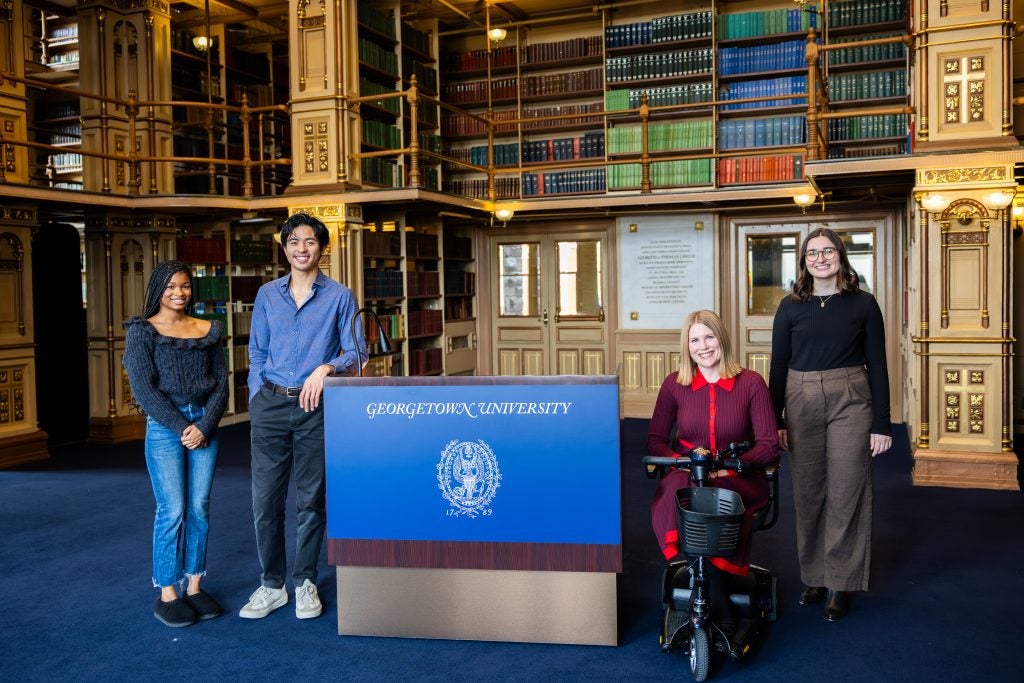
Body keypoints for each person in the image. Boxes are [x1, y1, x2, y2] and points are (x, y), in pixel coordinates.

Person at [240, 212, 366, 621]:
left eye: (309, 241)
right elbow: (256, 351)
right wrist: (257, 394)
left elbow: (357, 352)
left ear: (321, 248)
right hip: (271, 404)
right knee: (265, 501)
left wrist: (327, 368)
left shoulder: (340, 296)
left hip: (316, 408)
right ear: (284, 247)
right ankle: (271, 585)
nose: (301, 249)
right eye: (293, 241)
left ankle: (305, 581)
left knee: (310, 500)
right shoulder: (266, 295)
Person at [769, 227, 891, 622]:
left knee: (846, 489)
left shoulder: (864, 304)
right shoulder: (789, 306)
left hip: (850, 397)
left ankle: (840, 580)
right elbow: (777, 366)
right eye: (811, 254)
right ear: (803, 262)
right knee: (808, 493)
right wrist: (776, 420)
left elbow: (879, 366)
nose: (820, 258)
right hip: (799, 398)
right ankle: (815, 576)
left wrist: (882, 424)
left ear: (841, 255)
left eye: (827, 251)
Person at [647, 309, 778, 632]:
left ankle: (712, 594)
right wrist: (683, 461)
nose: (703, 346)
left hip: (738, 475)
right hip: (690, 473)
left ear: (722, 339)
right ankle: (715, 594)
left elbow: (768, 444)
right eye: (694, 340)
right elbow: (656, 440)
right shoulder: (675, 385)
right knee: (682, 497)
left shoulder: (751, 383)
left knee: (719, 502)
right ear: (686, 346)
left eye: (709, 337)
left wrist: (735, 466)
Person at [123, 260, 229, 627]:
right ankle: (167, 592)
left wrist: (204, 425)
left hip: (205, 423)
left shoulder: (208, 329)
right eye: (170, 286)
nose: (179, 292)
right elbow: (143, 389)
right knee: (173, 509)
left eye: (184, 286)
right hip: (166, 427)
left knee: (199, 507)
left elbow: (222, 383)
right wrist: (184, 427)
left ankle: (195, 585)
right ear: (157, 289)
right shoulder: (142, 331)